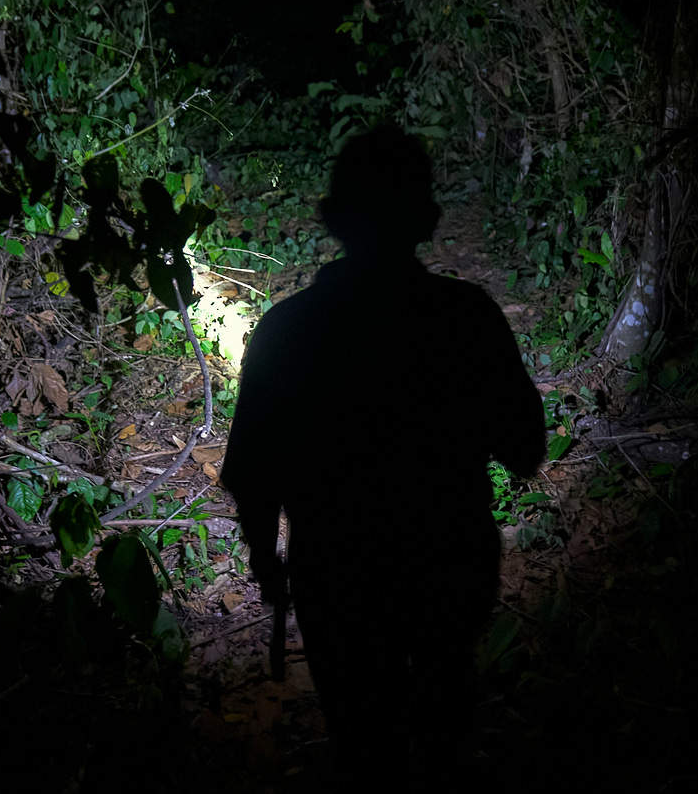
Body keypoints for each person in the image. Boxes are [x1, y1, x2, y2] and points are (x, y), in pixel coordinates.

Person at [220, 126, 545, 787]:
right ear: (425, 220)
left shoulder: (287, 328)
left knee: (364, 748)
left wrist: (267, 563)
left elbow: (253, 476)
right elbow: (526, 450)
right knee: (443, 726)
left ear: (334, 220)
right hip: (448, 567)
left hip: (337, 577)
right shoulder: (467, 317)